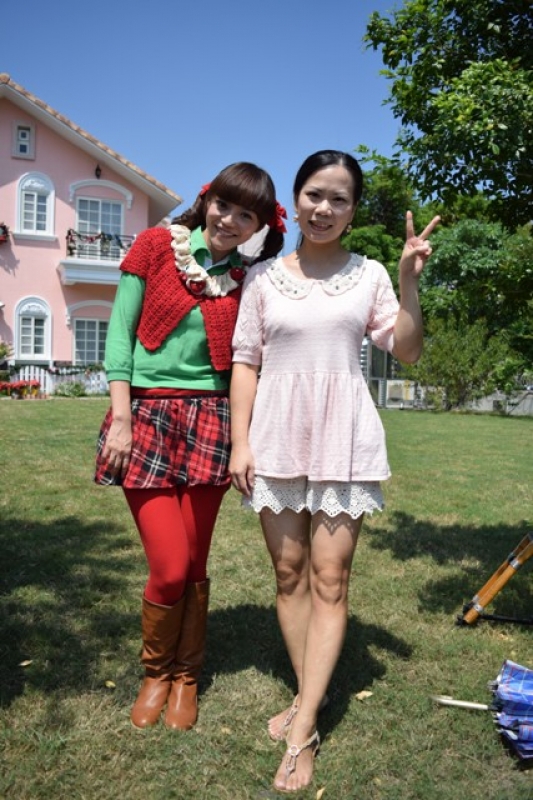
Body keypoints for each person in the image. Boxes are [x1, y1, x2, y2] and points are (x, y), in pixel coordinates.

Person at [229, 150, 439, 792]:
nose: (324, 208)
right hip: (275, 437)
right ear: (296, 201)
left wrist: (408, 281)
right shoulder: (262, 278)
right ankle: (308, 695)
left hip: (343, 438)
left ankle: (303, 729)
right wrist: (240, 444)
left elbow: (407, 349)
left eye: (339, 199)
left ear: (352, 212)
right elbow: (246, 362)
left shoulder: (369, 275)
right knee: (289, 573)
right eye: (315, 195)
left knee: (329, 578)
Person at [95, 162, 286, 732]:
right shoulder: (157, 247)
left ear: (259, 227)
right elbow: (119, 334)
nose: (230, 220)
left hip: (211, 421)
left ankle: (186, 676)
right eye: (224, 205)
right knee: (170, 564)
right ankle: (155, 673)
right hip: (146, 416)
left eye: (246, 215)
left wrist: (245, 436)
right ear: (208, 199)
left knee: (195, 561)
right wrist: (122, 418)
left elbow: (250, 361)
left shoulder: (249, 279)